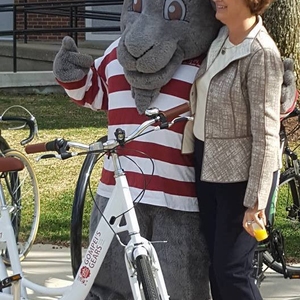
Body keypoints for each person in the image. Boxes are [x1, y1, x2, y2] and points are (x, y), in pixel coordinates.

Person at [53, 0, 296, 299]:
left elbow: (246, 105)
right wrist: (73, 77)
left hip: (179, 196)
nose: (143, 33)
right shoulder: (118, 54)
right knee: (111, 282)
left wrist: (280, 96)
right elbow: (97, 92)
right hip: (117, 191)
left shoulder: (209, 56)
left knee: (181, 285)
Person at [183, 0, 285, 299]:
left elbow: (266, 134)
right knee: (217, 266)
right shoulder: (220, 39)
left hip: (240, 178)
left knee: (232, 269)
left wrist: (256, 202)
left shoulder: (262, 54)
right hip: (207, 165)